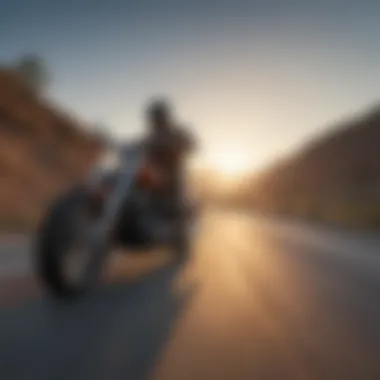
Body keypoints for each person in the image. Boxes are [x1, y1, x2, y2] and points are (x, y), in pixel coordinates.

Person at [143, 98, 196, 223]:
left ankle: (178, 224)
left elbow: (191, 144)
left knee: (176, 197)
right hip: (151, 175)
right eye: (153, 116)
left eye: (157, 115)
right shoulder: (150, 136)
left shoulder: (177, 132)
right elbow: (139, 148)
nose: (155, 119)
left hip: (171, 175)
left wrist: (175, 146)